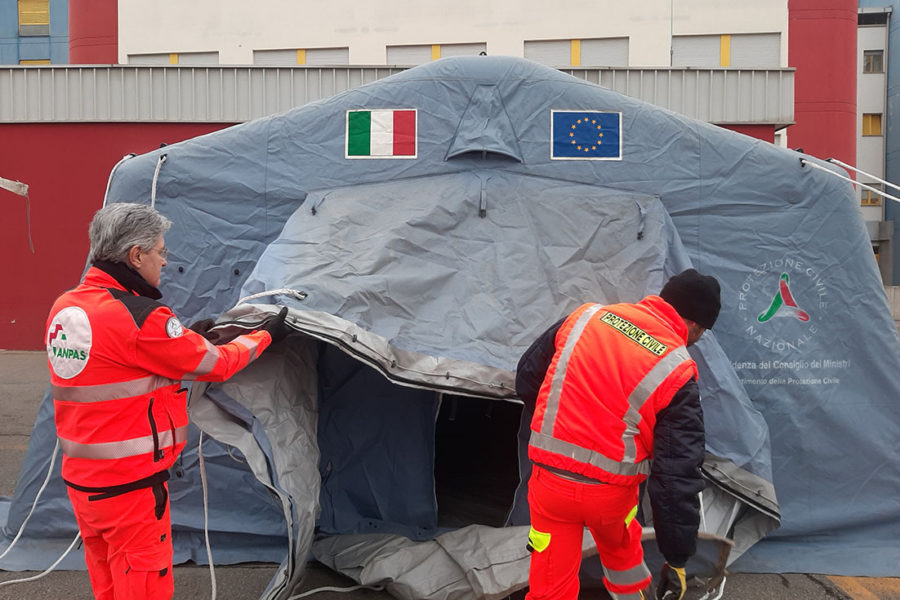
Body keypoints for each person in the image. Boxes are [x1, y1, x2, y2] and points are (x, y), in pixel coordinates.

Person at [45, 203, 291, 600]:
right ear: (136, 255)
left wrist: (184, 339)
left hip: (84, 482)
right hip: (131, 489)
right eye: (161, 252)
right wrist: (263, 336)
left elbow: (120, 363)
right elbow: (217, 364)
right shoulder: (143, 317)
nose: (164, 262)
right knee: (143, 585)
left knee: (108, 580)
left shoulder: (67, 306)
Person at [516, 269, 721, 600]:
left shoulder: (587, 316)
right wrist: (677, 557)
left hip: (550, 485)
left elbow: (527, 379)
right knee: (622, 556)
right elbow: (676, 475)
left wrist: (569, 421)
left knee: (550, 585)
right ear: (695, 325)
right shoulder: (677, 368)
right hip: (610, 496)